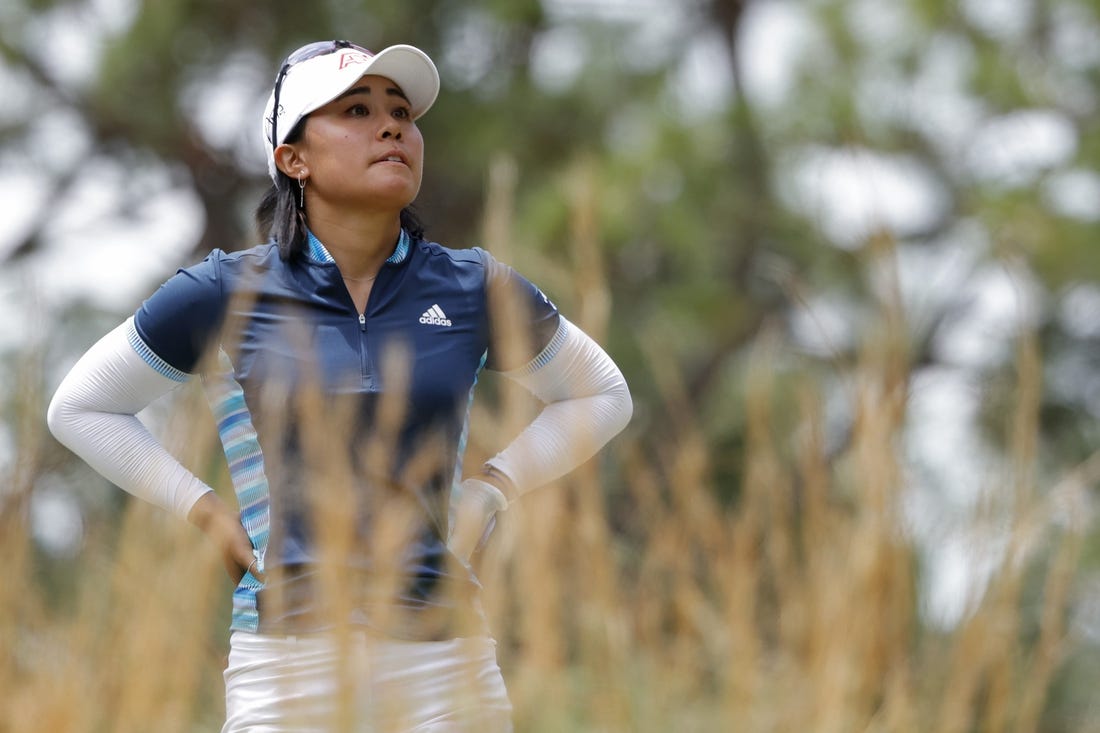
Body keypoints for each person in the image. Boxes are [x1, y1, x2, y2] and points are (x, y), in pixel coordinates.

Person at [46, 38, 632, 732]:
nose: (392, 127)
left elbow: (602, 394)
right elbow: (80, 407)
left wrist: (491, 490)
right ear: (293, 159)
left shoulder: (472, 285)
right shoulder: (224, 291)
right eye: (356, 110)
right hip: (285, 667)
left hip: (446, 669)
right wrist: (206, 514)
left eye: (402, 113)